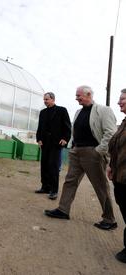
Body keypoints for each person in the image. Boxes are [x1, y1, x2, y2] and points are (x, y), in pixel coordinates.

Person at [44, 85, 117, 230]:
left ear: (88, 94)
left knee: (101, 186)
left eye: (79, 96)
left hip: (92, 152)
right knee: (70, 181)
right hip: (76, 151)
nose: (76, 98)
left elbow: (110, 133)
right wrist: (73, 146)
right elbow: (74, 130)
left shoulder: (103, 110)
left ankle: (109, 219)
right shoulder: (78, 112)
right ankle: (63, 210)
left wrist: (98, 151)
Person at [35, 92, 71, 200]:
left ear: (53, 99)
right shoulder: (43, 112)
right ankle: (45, 187)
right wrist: (39, 139)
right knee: (44, 165)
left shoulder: (61, 110)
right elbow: (40, 127)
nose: (45, 101)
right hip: (44, 142)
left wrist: (65, 138)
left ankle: (54, 190)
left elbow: (67, 126)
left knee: (53, 167)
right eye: (44, 100)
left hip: (56, 143)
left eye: (47, 99)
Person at [107, 89, 126, 263]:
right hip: (120, 177)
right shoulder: (124, 123)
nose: (119, 102)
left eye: (122, 99)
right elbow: (116, 147)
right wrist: (111, 166)